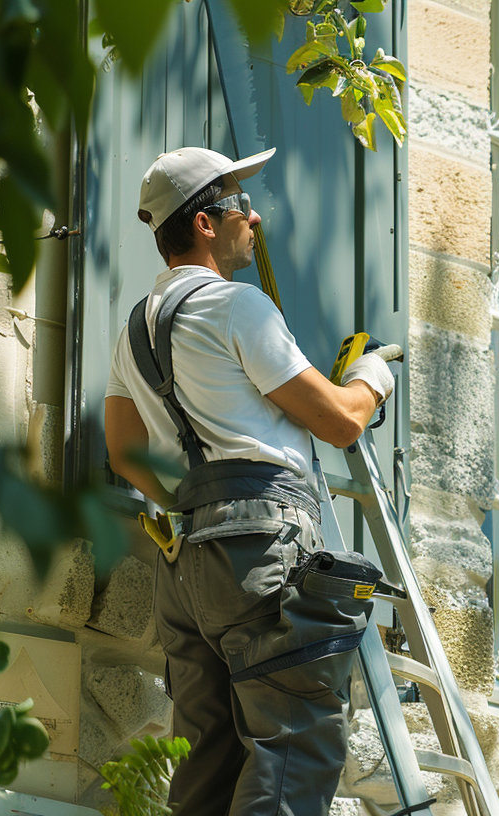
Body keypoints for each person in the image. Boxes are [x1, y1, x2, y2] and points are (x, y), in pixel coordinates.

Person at [103, 146, 395, 816]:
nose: (254, 217)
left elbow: (125, 454)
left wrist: (202, 493)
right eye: (240, 204)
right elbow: (342, 422)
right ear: (205, 223)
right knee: (294, 745)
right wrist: (373, 376)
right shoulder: (241, 309)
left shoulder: (134, 333)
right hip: (261, 549)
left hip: (187, 566)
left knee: (206, 768)